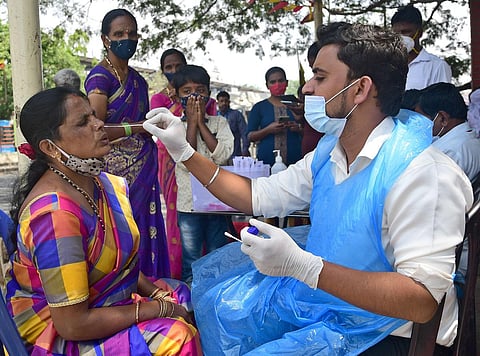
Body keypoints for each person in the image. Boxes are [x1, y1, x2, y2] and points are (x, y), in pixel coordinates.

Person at [143, 22, 472, 354]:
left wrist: (304, 267)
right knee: (220, 309)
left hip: (391, 335)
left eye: (320, 77)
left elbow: (421, 301)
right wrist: (185, 153)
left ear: (360, 89)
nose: (306, 89)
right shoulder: (330, 153)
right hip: (333, 312)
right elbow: (257, 196)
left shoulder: (422, 172)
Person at [6, 87, 201, 355]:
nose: (99, 124)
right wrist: (158, 308)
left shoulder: (100, 183)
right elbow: (72, 324)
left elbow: (120, 267)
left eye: (93, 116)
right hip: (57, 333)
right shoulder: (54, 215)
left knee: (186, 295)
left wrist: (156, 294)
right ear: (50, 147)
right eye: (83, 122)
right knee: (176, 336)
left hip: (102, 306)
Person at [84, 9, 169, 279]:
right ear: (105, 39)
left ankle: (152, 288)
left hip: (144, 169)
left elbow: (144, 123)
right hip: (114, 174)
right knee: (120, 233)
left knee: (145, 229)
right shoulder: (100, 78)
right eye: (119, 34)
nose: (127, 38)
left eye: (132, 34)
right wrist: (137, 128)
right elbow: (94, 130)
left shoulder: (139, 81)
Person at [150, 49, 218, 279]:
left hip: (202, 158)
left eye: (177, 66)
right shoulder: (160, 99)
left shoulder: (202, 97)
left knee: (208, 215)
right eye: (168, 68)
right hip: (170, 161)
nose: (173, 71)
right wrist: (178, 106)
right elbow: (160, 128)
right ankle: (181, 273)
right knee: (179, 213)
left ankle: (208, 272)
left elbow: (213, 134)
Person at [170, 64, 234, 284]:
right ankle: (192, 307)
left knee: (218, 255)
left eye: (200, 90)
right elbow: (187, 161)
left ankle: (215, 300)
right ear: (178, 96)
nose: (194, 96)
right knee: (192, 260)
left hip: (217, 202)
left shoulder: (220, 123)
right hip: (189, 206)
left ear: (208, 94)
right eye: (187, 92)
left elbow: (223, 155)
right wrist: (191, 125)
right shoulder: (174, 127)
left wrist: (201, 126)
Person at [415, 82, 480, 182]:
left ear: (443, 119)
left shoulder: (450, 153)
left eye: (422, 119)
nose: (419, 125)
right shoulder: (467, 138)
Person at [247, 66, 302, 166]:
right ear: (267, 85)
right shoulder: (259, 107)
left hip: (295, 164)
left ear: (287, 83)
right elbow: (250, 136)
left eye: (281, 81)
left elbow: (310, 133)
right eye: (273, 82)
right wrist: (268, 130)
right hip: (267, 164)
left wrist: (297, 129)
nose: (277, 85)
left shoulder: (297, 105)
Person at [391, 4, 452, 90]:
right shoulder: (386, 65)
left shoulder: (437, 67)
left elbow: (442, 102)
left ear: (420, 33)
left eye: (406, 32)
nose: (400, 37)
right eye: (396, 33)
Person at [216, 90, 249, 159]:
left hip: (235, 153)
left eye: (226, 101)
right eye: (221, 101)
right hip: (218, 153)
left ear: (229, 102)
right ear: (217, 103)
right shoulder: (214, 116)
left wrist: (245, 149)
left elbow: (244, 133)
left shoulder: (236, 115)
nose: (224, 103)